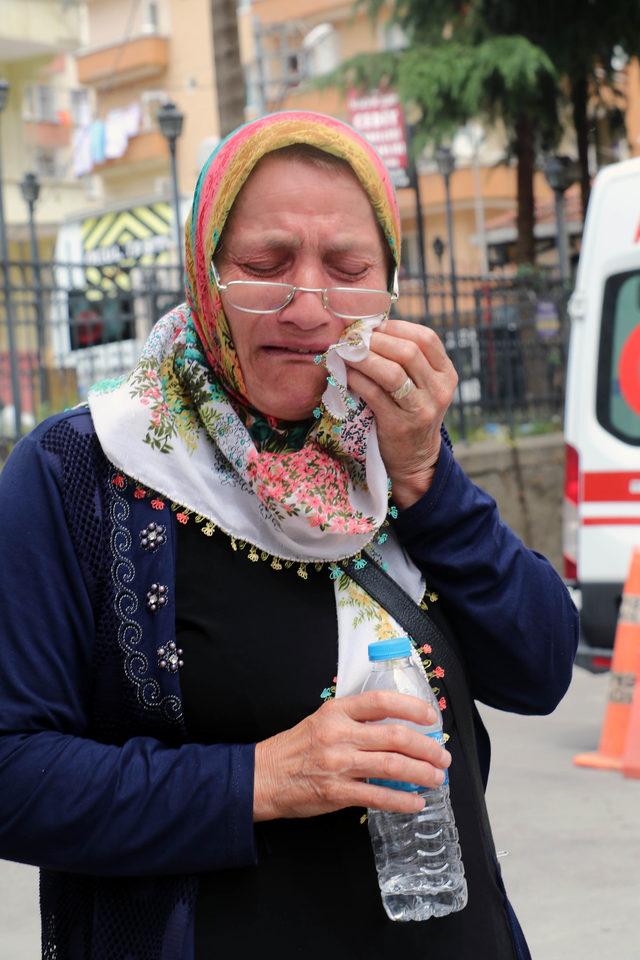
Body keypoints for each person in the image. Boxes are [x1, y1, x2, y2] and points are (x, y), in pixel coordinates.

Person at [0, 111, 578, 960]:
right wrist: (262, 779)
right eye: (264, 265)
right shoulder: (82, 470)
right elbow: (14, 776)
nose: (308, 306)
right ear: (205, 273)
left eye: (348, 269)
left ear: (388, 287)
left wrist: (428, 477)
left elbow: (539, 670)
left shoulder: (383, 443)